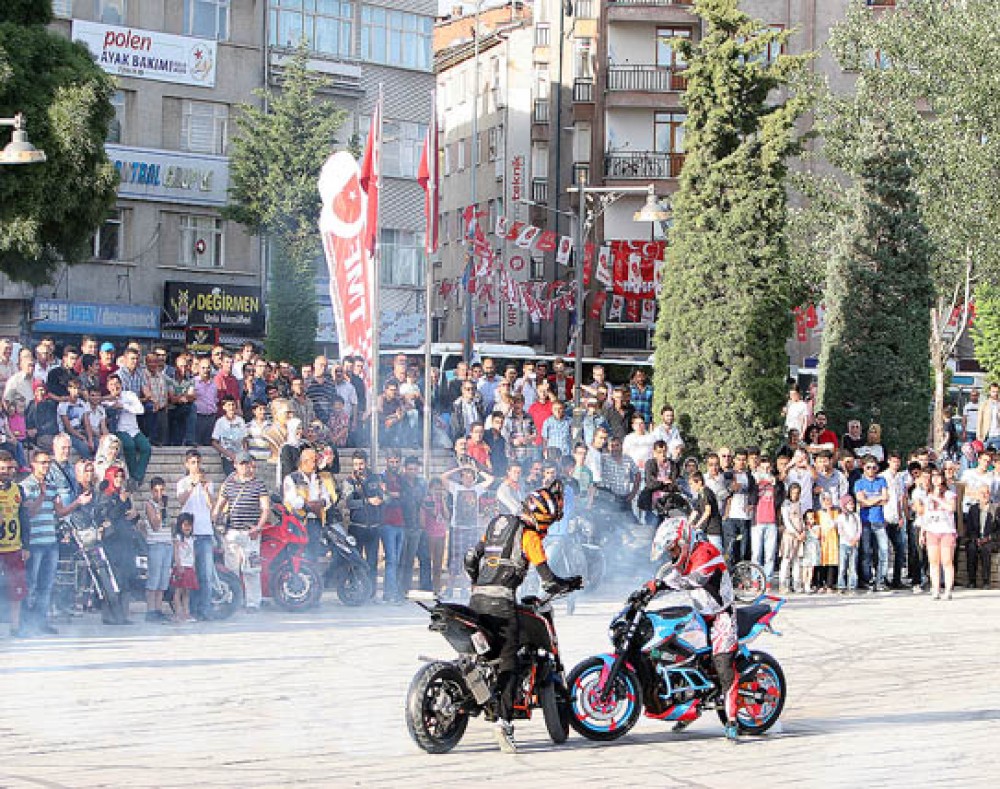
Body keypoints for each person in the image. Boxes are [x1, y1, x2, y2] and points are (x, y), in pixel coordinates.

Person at [464, 480, 581, 753]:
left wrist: (475, 582)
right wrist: (570, 584)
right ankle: (502, 723)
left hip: (476, 599)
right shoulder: (529, 537)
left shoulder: (497, 523)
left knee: (482, 652)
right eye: (548, 522)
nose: (548, 528)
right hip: (501, 603)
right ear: (540, 518)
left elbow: (471, 558)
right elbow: (549, 582)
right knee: (509, 661)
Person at [633, 519, 739, 740]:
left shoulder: (706, 552)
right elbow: (671, 577)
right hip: (699, 614)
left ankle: (732, 720)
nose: (671, 554)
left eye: (672, 549)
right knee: (673, 653)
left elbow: (693, 580)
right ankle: (686, 701)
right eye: (669, 551)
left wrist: (661, 585)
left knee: (723, 665)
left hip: (721, 615)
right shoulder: (684, 557)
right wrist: (646, 591)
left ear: (684, 541)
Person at [214, 451, 269, 612]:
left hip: (249, 532)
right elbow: (220, 504)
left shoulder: (258, 485)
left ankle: (253, 602)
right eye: (242, 463)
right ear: (236, 465)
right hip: (231, 531)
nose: (245, 467)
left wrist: (258, 527)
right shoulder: (229, 484)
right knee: (231, 569)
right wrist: (215, 521)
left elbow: (265, 508)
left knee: (251, 569)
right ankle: (235, 600)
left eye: (247, 463)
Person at [442, 464, 495, 598]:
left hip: (472, 528)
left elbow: (491, 479)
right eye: (465, 477)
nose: (468, 480)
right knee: (456, 559)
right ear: (461, 478)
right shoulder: (456, 488)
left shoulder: (477, 489)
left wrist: (477, 470)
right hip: (458, 528)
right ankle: (450, 588)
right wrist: (459, 468)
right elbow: (443, 477)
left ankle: (465, 588)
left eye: (470, 477)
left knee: (470, 559)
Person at [96, 466, 140, 625]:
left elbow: (127, 516)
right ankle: (110, 615)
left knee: (127, 578)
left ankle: (124, 614)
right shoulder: (105, 496)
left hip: (126, 540)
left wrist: (135, 516)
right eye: (116, 476)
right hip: (112, 542)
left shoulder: (123, 495)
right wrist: (121, 502)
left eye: (122, 476)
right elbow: (109, 516)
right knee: (113, 580)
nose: (119, 479)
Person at [176, 449, 216, 620]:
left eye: (198, 462)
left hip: (205, 532)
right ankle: (190, 609)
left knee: (206, 574)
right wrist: (193, 485)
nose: (196, 466)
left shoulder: (208, 483)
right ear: (187, 464)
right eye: (192, 462)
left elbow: (211, 505)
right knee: (190, 574)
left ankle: (205, 610)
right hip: (189, 535)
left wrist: (205, 488)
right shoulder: (182, 482)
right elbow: (181, 500)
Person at [342, 450, 385, 584]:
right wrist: (367, 501)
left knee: (372, 562)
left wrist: (382, 498)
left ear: (366, 463)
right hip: (357, 527)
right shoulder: (349, 481)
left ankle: (371, 592)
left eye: (361, 464)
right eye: (355, 464)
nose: (358, 467)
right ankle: (356, 589)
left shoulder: (376, 478)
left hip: (374, 527)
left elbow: (385, 496)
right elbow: (348, 503)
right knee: (355, 561)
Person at [0, 451, 28, 637]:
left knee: (17, 587)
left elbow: (24, 518)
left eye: (10, 468)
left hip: (14, 547)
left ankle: (16, 626)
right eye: (2, 468)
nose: (7, 472)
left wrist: (26, 544)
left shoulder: (18, 490)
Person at [919, 467, 957, 600]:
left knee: (946, 561)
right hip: (932, 530)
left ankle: (947, 589)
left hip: (946, 530)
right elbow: (925, 515)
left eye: (938, 476)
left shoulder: (949, 494)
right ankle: (935, 589)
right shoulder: (927, 494)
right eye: (933, 476)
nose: (936, 479)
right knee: (933, 562)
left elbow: (951, 508)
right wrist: (922, 532)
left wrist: (938, 499)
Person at [143, 476, 173, 622]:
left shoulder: (166, 505)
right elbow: (155, 525)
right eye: (156, 491)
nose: (159, 494)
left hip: (167, 543)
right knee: (154, 578)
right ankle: (150, 610)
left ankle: (159, 609)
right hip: (155, 544)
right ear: (151, 491)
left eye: (162, 490)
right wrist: (160, 509)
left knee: (163, 579)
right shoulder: (149, 505)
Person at [964, 484, 997, 589]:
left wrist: (988, 538)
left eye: (986, 492)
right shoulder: (973, 509)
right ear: (977, 495)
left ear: (989, 494)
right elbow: (969, 529)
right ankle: (971, 580)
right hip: (976, 538)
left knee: (985, 549)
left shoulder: (996, 509)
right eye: (981, 493)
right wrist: (976, 539)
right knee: (971, 548)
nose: (984, 495)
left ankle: (986, 581)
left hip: (991, 539)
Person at [422, 477, 450, 595]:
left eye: (440, 489)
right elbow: (433, 512)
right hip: (430, 533)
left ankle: (437, 587)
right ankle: (427, 585)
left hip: (441, 533)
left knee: (438, 562)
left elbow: (447, 515)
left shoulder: (442, 500)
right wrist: (433, 498)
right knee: (429, 560)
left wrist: (442, 501)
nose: (438, 491)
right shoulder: (427, 500)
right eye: (435, 489)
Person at [212, 395, 248, 476]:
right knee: (231, 477)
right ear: (224, 407)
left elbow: (244, 439)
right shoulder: (220, 422)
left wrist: (244, 454)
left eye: (233, 404)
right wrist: (228, 454)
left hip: (241, 457)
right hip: (227, 457)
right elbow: (214, 442)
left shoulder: (241, 420)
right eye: (229, 405)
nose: (231, 407)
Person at [778, 483, 804, 594]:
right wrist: (795, 533)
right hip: (790, 535)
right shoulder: (786, 504)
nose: (795, 495)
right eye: (793, 493)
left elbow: (801, 519)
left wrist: (802, 532)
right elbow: (787, 521)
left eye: (797, 493)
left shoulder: (799, 504)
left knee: (797, 560)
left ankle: (797, 583)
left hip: (799, 536)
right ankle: (783, 584)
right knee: (786, 559)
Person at [171, 513, 198, 622]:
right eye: (185, 525)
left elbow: (193, 553)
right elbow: (176, 553)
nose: (187, 528)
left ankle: (187, 613)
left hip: (189, 567)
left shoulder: (192, 538)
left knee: (187, 592)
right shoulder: (178, 538)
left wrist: (193, 565)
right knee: (178, 591)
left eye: (190, 525)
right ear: (180, 525)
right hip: (181, 567)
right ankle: (178, 613)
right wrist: (178, 565)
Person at [836, 494, 862, 593]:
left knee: (853, 566)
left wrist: (855, 539)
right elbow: (840, 531)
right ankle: (841, 585)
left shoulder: (856, 516)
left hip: (854, 544)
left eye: (852, 504)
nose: (852, 506)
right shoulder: (841, 517)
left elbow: (859, 529)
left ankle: (852, 585)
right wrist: (848, 540)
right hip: (844, 544)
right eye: (849, 504)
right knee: (842, 566)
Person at [801, 509, 821, 594]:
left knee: (811, 568)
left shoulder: (817, 527)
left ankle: (808, 584)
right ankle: (803, 584)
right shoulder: (803, 527)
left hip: (814, 549)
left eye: (812, 518)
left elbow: (817, 536)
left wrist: (810, 529)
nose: (809, 520)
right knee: (805, 567)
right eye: (807, 518)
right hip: (806, 549)